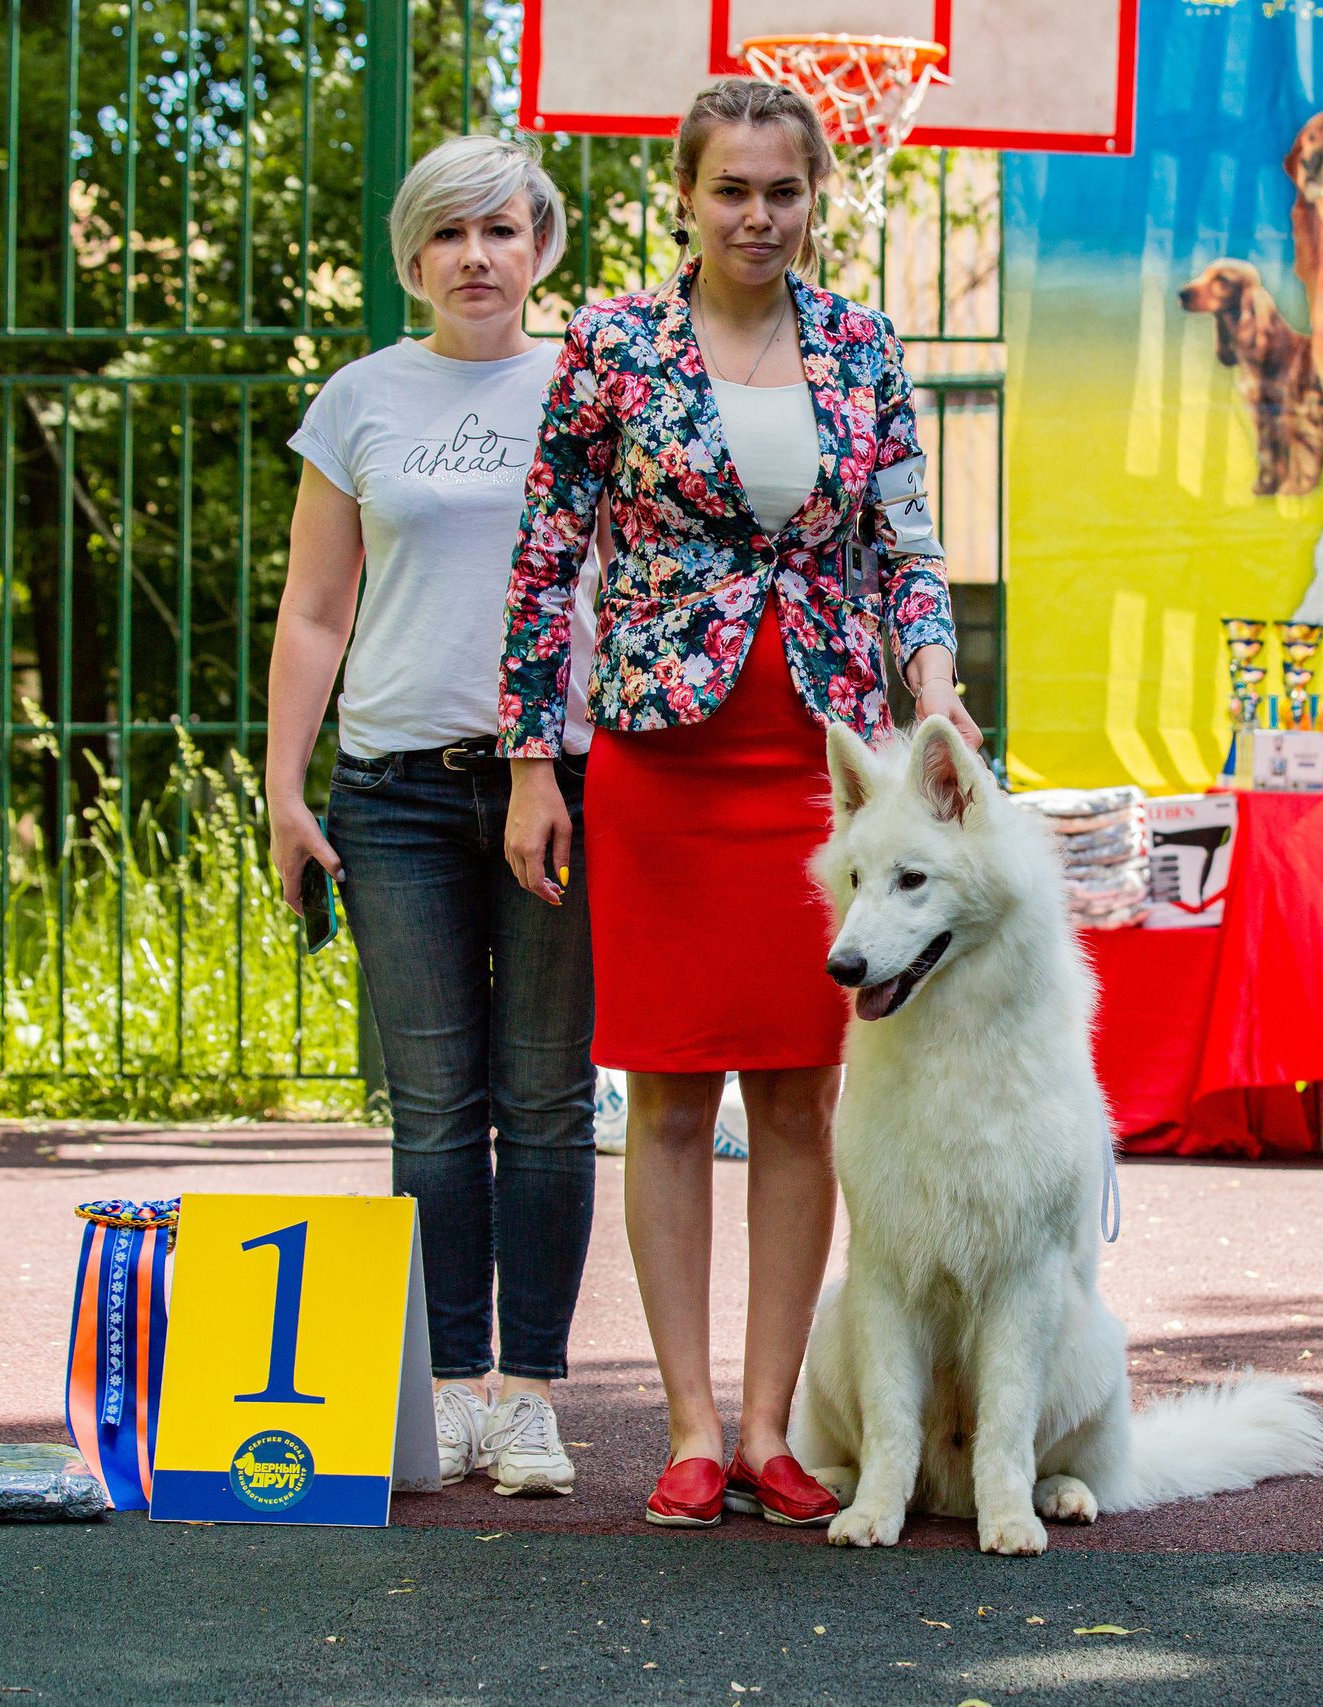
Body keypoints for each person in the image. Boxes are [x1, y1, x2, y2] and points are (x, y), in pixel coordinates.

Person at [497, 77, 977, 1529]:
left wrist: (934, 682)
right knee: (662, 1089)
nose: (757, 217)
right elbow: (540, 562)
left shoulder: (860, 342)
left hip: (821, 771)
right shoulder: (612, 345)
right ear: (685, 199)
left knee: (800, 1090)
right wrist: (535, 759)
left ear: (813, 198)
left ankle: (772, 1427)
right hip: (662, 757)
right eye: (732, 192)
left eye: (782, 192)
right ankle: (690, 1425)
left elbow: (902, 540)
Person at [266, 133, 598, 1498]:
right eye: (449, 235)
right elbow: (316, 607)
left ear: (540, 248)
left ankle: (531, 1395)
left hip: (557, 784)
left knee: (549, 1095)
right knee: (436, 1107)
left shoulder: (592, 387)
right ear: (413, 257)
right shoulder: (360, 398)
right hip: (394, 789)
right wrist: (282, 787)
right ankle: (451, 1388)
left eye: (502, 231)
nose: (477, 256)